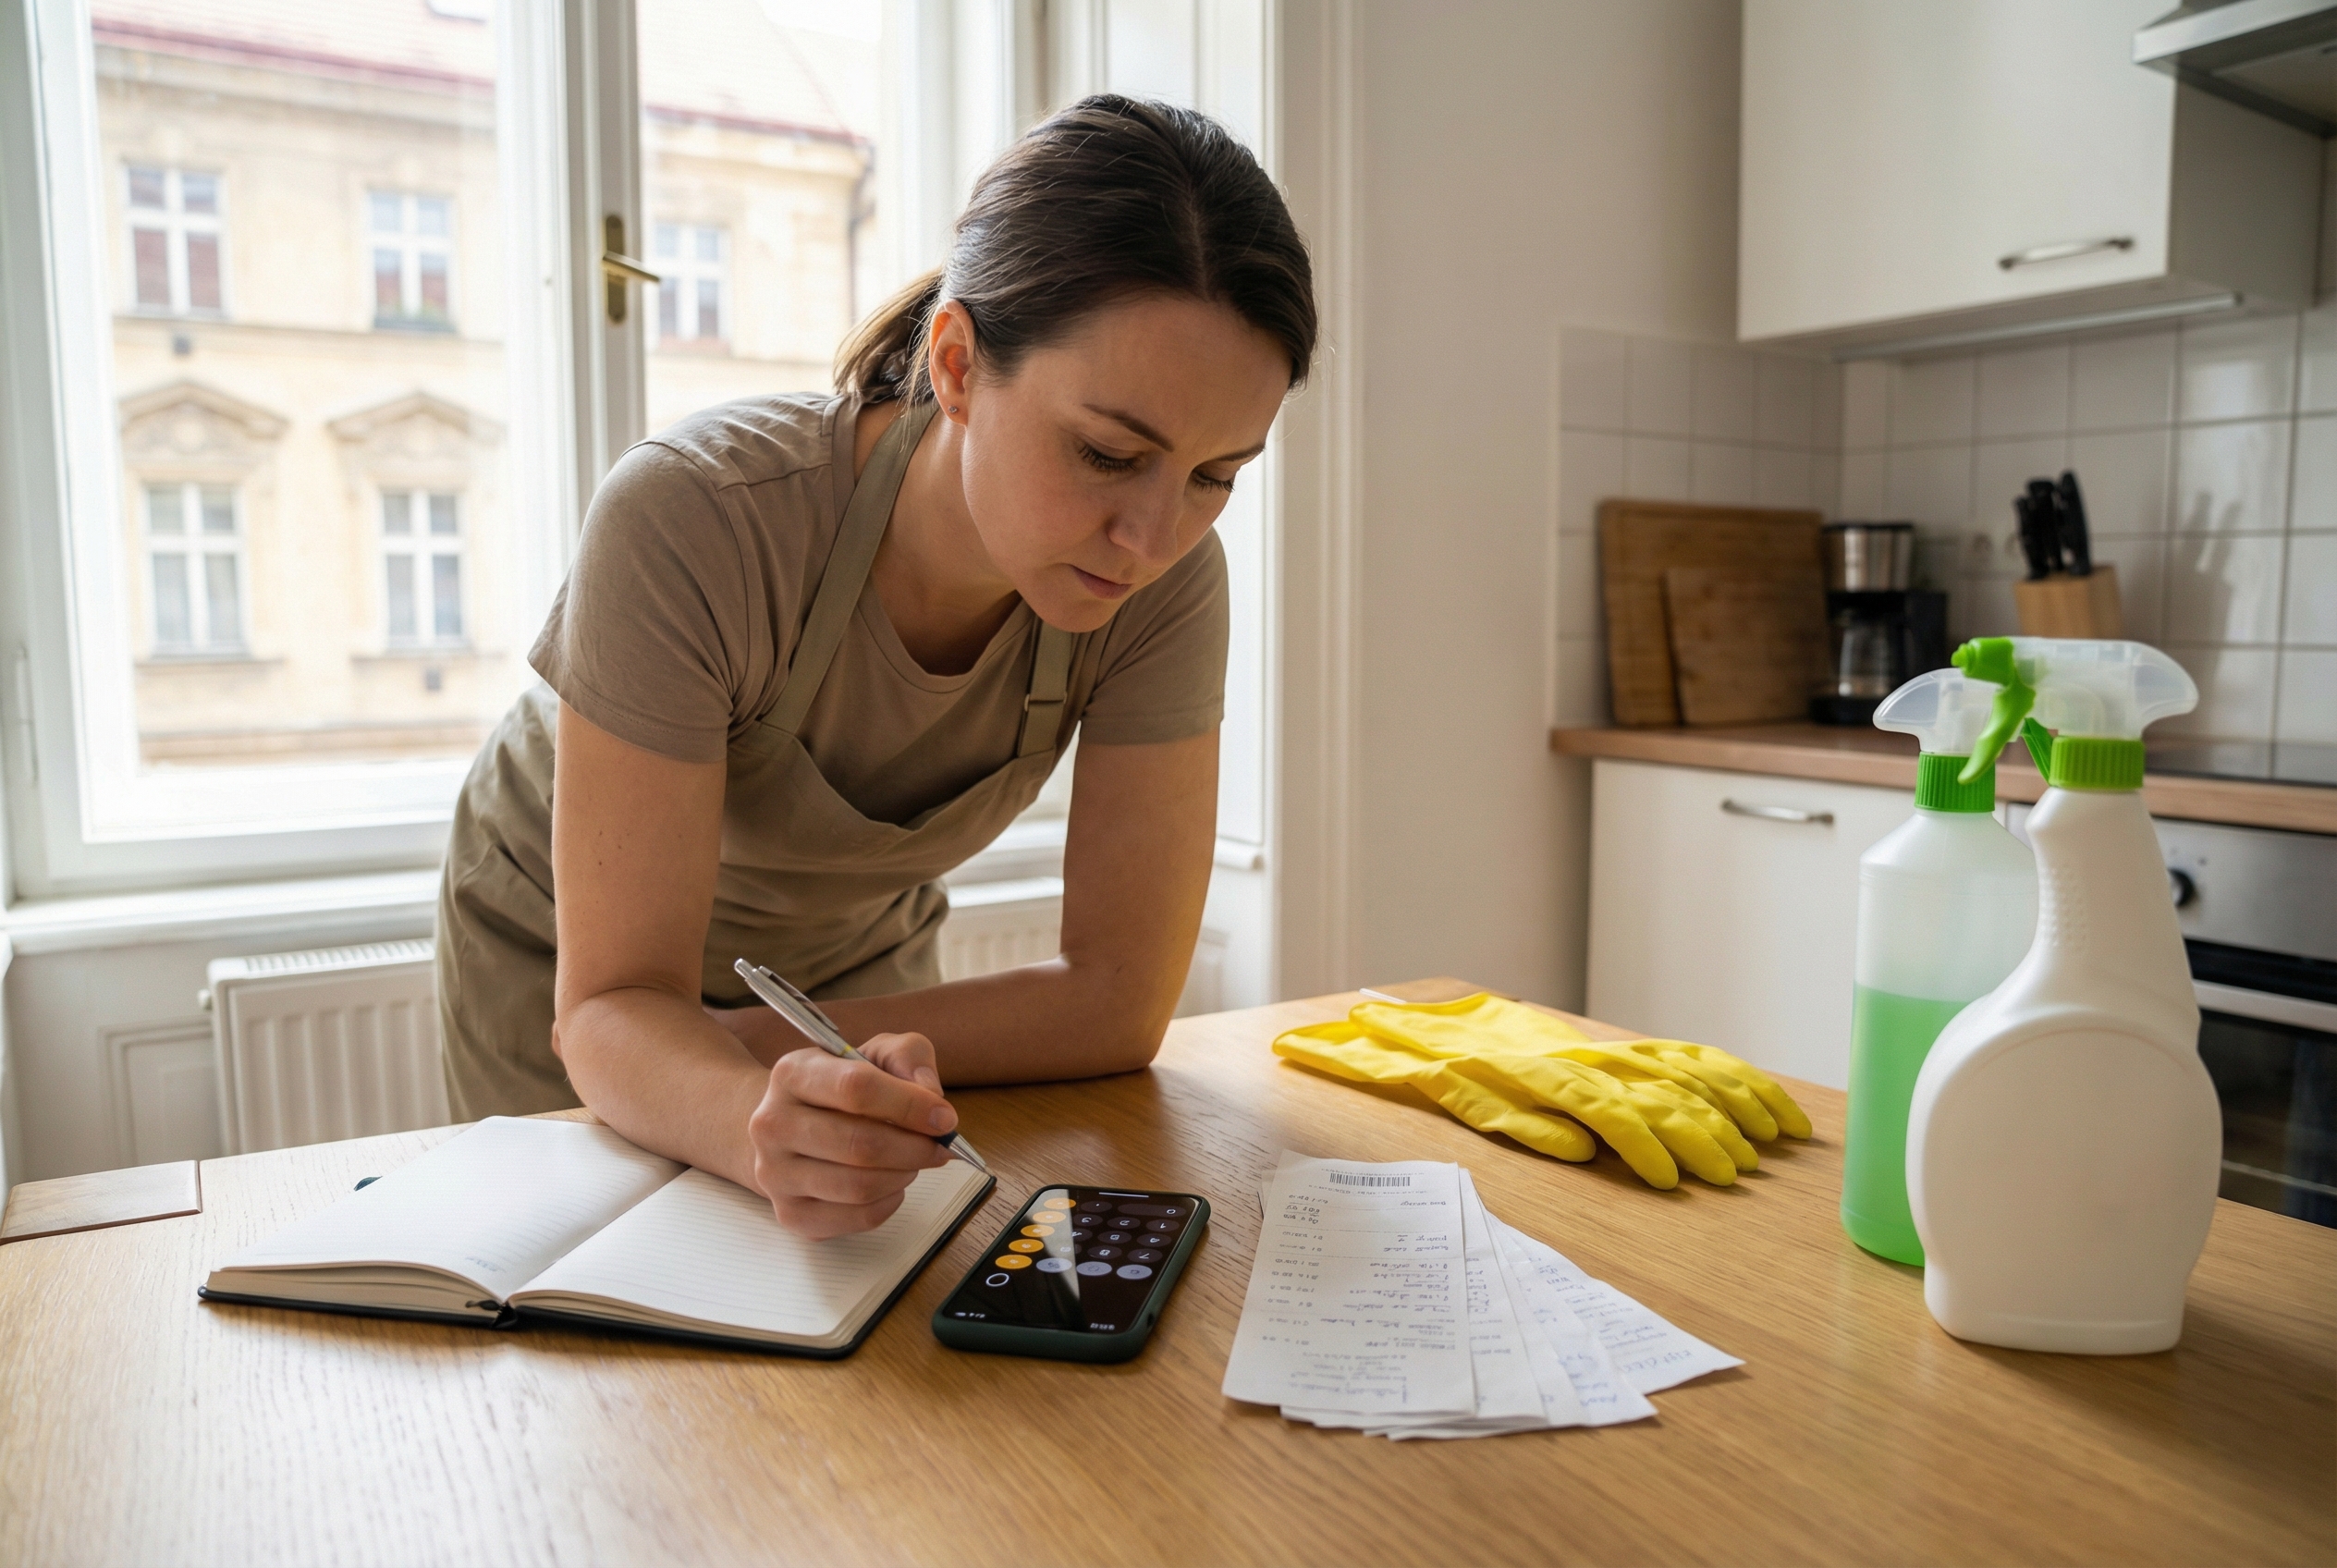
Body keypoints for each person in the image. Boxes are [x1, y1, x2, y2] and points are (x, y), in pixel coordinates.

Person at [433, 95, 1316, 1238]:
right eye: (1106, 453)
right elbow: (609, 1006)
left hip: (846, 973)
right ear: (956, 364)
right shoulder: (690, 517)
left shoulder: (1165, 586)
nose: (1150, 538)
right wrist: (721, 1086)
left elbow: (1115, 1002)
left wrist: (776, 1055)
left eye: (1214, 475)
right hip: (567, 961)